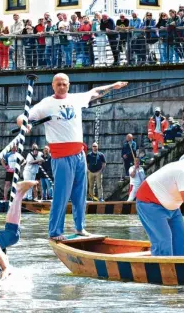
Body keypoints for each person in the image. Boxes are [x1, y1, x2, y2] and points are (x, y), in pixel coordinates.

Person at [17, 73, 127, 241]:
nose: (62, 87)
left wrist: (114, 85)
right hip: (61, 156)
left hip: (79, 155)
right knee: (61, 194)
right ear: (53, 86)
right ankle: (55, 231)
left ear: (69, 85)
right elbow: (22, 116)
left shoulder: (76, 99)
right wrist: (24, 125)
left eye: (65, 84)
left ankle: (80, 227)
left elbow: (95, 92)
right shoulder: (46, 104)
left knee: (80, 194)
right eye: (59, 84)